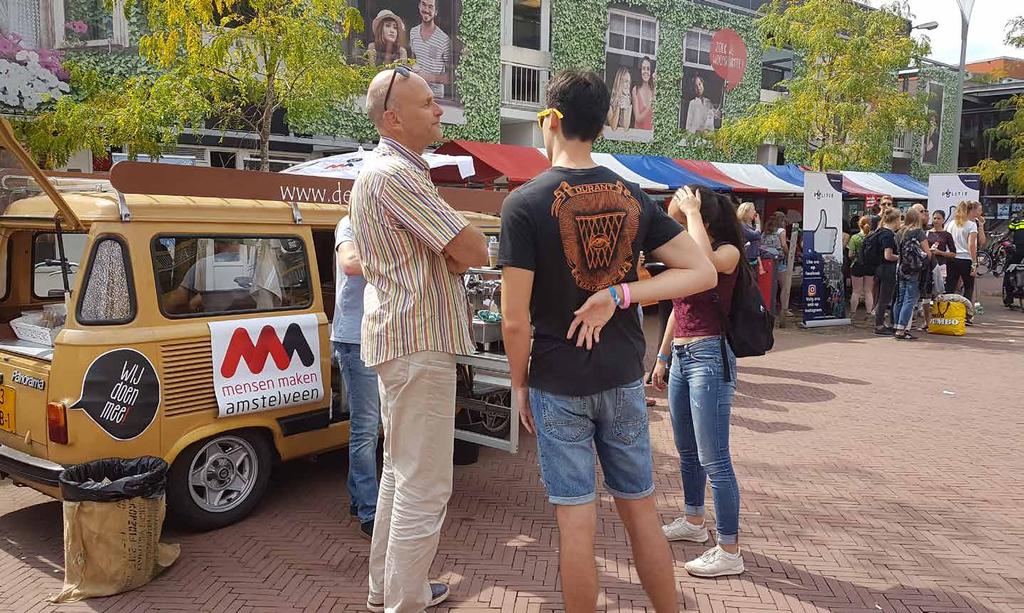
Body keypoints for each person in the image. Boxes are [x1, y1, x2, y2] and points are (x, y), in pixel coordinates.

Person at [499, 70, 716, 612]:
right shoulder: (632, 196)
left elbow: (513, 320)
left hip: (556, 377)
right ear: (606, 123)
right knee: (640, 509)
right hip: (620, 374)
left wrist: (518, 384)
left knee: (576, 524)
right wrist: (621, 294)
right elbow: (702, 271)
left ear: (550, 120)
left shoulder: (523, 205)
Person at [350, 67, 488, 612]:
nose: (438, 110)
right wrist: (453, 254)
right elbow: (473, 249)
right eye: (427, 102)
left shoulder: (377, 172)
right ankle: (402, 601)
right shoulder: (398, 176)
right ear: (393, 117)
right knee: (424, 486)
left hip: (398, 338)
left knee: (398, 475)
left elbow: (455, 250)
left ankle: (389, 590)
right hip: (418, 341)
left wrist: (450, 253)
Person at [650, 185, 745, 577]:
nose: (676, 221)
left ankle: (729, 549)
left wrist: (689, 211)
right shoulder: (685, 254)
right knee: (686, 449)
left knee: (715, 458)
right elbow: (677, 306)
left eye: (684, 214)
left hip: (710, 355)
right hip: (685, 355)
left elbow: (707, 268)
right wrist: (662, 355)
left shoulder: (727, 251)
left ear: (702, 218)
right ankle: (693, 521)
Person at [332, 216, 381, 540]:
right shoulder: (350, 223)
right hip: (355, 339)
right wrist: (395, 260)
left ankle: (358, 498)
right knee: (365, 426)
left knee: (371, 424)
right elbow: (350, 262)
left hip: (379, 336)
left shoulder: (383, 223)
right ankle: (369, 510)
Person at [892, 208, 930, 340]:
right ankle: (902, 329)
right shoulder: (919, 232)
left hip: (901, 268)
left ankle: (897, 326)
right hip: (914, 269)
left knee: (900, 299)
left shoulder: (900, 232)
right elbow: (927, 253)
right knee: (909, 299)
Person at [409, 0, 452, 99]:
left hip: (434, 97)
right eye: (423, 5)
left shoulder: (444, 39)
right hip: (415, 93)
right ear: (419, 6)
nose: (426, 10)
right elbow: (413, 59)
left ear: (436, 12)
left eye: (430, 7)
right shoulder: (413, 32)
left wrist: (427, 77)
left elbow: (450, 77)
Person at [944, 200, 981, 304]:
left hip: (952, 258)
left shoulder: (950, 224)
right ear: (970, 210)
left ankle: (948, 310)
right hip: (966, 259)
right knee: (968, 287)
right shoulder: (971, 225)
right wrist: (974, 262)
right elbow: (971, 245)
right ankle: (967, 313)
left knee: (950, 286)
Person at [925, 209, 956, 325]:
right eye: (934, 218)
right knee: (927, 293)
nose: (936, 221)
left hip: (941, 265)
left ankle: (939, 317)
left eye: (939, 218)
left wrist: (940, 253)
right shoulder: (927, 233)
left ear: (943, 220)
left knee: (939, 292)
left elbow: (953, 253)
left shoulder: (947, 235)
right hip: (928, 265)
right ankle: (927, 321)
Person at [873, 208, 901, 335]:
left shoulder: (879, 231)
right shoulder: (888, 235)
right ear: (895, 220)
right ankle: (879, 325)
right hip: (887, 268)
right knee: (884, 298)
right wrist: (902, 257)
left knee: (882, 297)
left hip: (879, 268)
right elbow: (888, 255)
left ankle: (881, 323)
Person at [761, 211, 788, 314]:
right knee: (784, 286)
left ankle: (769, 306)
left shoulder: (765, 231)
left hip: (767, 260)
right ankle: (784, 309)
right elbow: (784, 245)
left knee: (771, 285)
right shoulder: (781, 231)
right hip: (779, 260)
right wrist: (788, 254)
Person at [848, 215, 874, 320]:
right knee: (868, 291)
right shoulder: (873, 237)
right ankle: (868, 313)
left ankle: (853, 313)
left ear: (859, 225)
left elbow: (850, 254)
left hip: (857, 265)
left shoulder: (855, 238)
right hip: (870, 266)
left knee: (856, 291)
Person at [737, 202, 764, 275]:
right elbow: (756, 236)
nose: (755, 212)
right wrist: (758, 223)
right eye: (753, 210)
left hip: (753, 261)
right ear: (746, 211)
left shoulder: (749, 225)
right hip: (746, 261)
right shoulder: (741, 225)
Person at [1003, 212, 1024, 307]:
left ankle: (1009, 297)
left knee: (1008, 270)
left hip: (1018, 251)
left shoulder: (1016, 221)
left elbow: (1007, 233)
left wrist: (1001, 240)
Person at [631, 56, 655, 131]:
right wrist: (650, 104)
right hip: (638, 136)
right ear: (640, 70)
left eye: (648, 69)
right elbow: (638, 118)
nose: (646, 72)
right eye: (643, 68)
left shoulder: (654, 90)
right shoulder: (635, 90)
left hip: (651, 136)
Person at [607, 65, 633, 131]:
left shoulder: (629, 102)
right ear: (619, 82)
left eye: (629, 82)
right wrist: (618, 106)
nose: (628, 85)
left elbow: (626, 127)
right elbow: (613, 127)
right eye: (626, 81)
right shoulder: (609, 101)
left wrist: (626, 108)